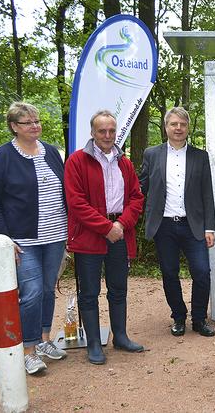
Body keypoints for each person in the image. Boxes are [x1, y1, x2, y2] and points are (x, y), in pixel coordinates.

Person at [0, 102, 68, 375]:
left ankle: (43, 339)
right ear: (14, 126)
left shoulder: (51, 152)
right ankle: (28, 350)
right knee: (30, 294)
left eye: (37, 120)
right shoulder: (3, 156)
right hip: (23, 239)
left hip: (55, 235)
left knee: (47, 289)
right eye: (28, 122)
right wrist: (3, 238)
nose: (35, 126)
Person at [64, 110, 144, 365]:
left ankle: (120, 336)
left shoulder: (125, 162)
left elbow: (136, 198)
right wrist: (105, 227)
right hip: (90, 236)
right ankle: (94, 344)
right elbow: (76, 203)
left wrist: (121, 224)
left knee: (118, 289)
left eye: (112, 130)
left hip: (120, 232)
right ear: (93, 133)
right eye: (102, 131)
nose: (108, 135)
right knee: (89, 293)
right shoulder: (77, 161)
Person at [139, 107, 215, 337]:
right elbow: (141, 187)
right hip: (163, 226)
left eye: (182, 124)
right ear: (166, 127)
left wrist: (209, 227)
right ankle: (179, 317)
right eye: (174, 124)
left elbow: (207, 193)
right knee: (169, 273)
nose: (178, 128)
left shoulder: (199, 156)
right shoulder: (151, 154)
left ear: (188, 128)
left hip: (193, 225)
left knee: (202, 272)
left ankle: (199, 319)